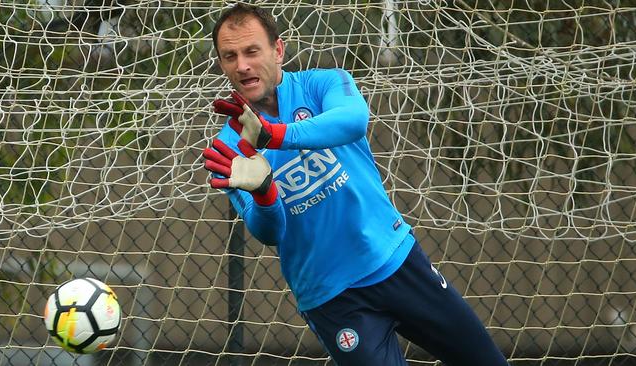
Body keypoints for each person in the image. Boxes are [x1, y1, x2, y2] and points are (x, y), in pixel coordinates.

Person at [203, 3, 509, 365]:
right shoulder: (226, 147)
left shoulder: (324, 84)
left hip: (394, 261)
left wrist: (274, 135)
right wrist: (264, 192)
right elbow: (269, 232)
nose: (242, 65)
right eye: (230, 56)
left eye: (252, 51)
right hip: (333, 299)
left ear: (278, 50)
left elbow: (353, 120)